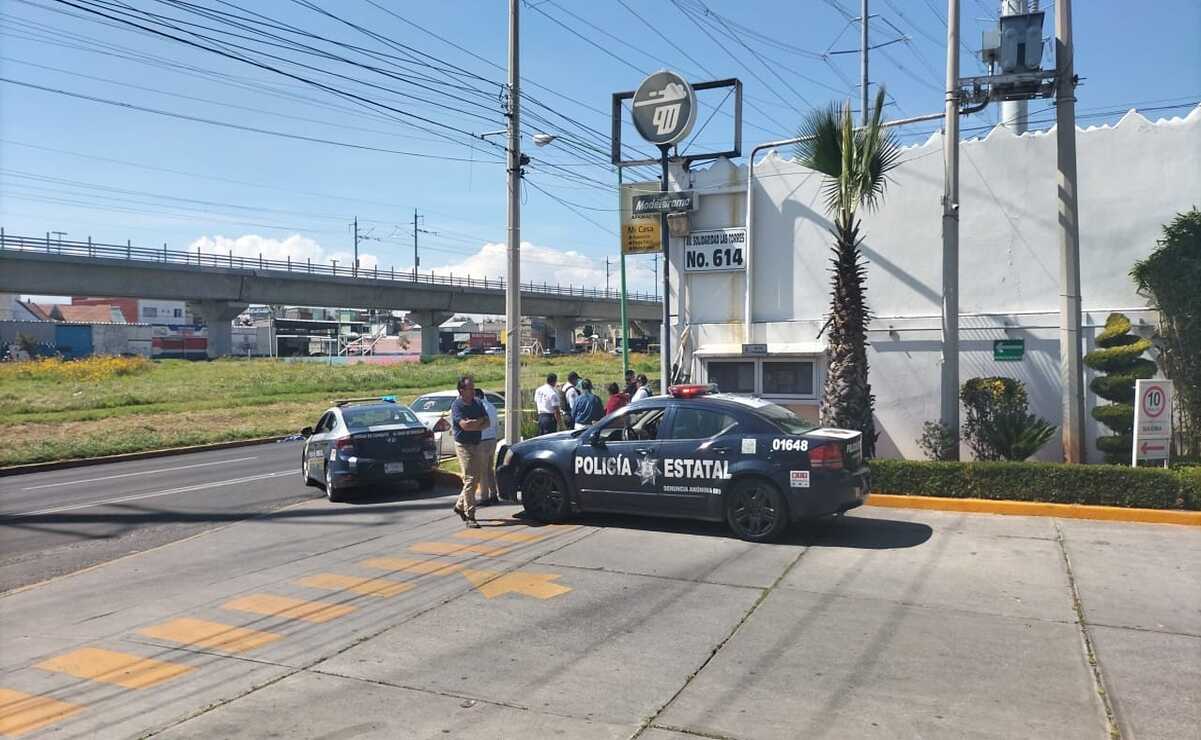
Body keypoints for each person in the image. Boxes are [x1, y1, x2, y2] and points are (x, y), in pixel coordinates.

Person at [450, 375, 488, 528]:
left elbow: (487, 422)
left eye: (473, 387)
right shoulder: (457, 406)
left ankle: (459, 505)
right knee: (470, 479)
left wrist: (474, 423)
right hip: (463, 445)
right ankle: (470, 516)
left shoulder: (478, 403)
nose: (473, 391)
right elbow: (464, 426)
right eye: (470, 388)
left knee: (476, 478)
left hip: (477, 443)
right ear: (461, 390)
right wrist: (476, 422)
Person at [474, 387, 500, 505]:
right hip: (492, 440)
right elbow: (496, 425)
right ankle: (494, 494)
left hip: (482, 441)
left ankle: (485, 498)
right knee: (490, 469)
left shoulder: (478, 407)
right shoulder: (492, 406)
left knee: (482, 471)